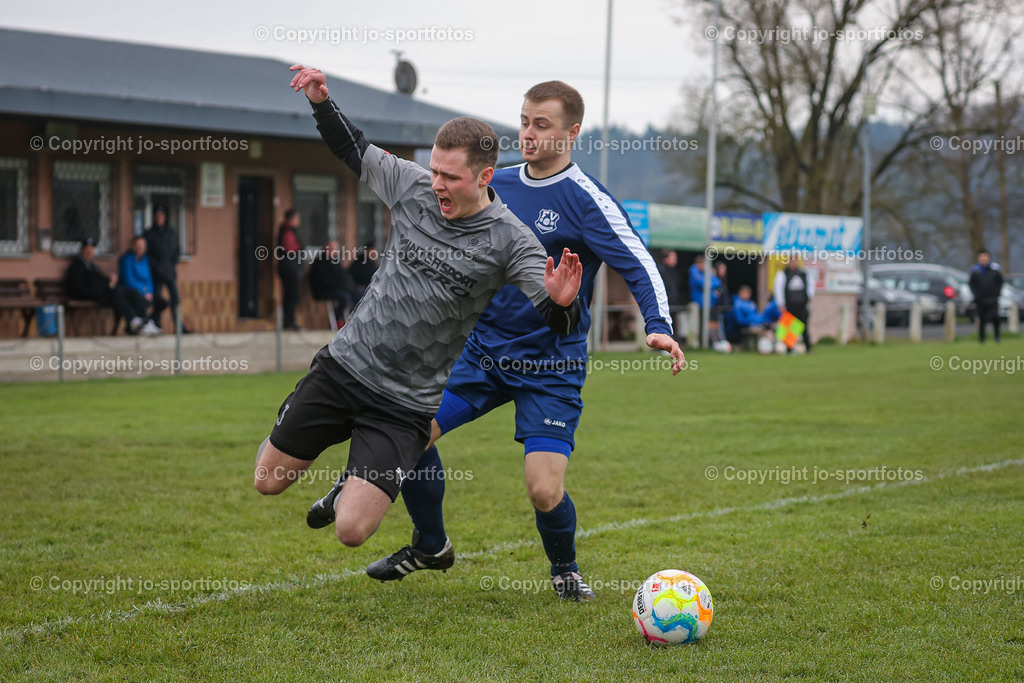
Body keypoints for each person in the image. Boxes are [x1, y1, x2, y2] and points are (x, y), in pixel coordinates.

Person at [311, 80, 685, 601]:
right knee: (410, 433)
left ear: (571, 133)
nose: (528, 134)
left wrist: (659, 326)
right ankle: (430, 544)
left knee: (543, 488)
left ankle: (565, 569)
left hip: (550, 368)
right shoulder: (494, 183)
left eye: (542, 125)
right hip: (479, 353)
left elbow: (639, 262)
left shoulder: (587, 200)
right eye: (525, 121)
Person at [253, 66, 584, 557]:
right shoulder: (412, 188)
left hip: (403, 404)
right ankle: (314, 430)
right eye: (434, 171)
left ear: (485, 176)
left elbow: (559, 322)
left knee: (351, 531)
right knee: (268, 481)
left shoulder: (512, 240)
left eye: (450, 177)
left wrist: (563, 304)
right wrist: (322, 102)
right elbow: (354, 149)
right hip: (345, 368)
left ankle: (414, 526)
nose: (438, 185)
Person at [64, 237, 156, 335]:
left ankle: (146, 321)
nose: (90, 253)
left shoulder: (93, 265)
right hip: (91, 295)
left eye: (91, 250)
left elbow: (100, 280)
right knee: (118, 292)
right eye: (87, 250)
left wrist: (109, 280)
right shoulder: (77, 266)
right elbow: (78, 287)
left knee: (131, 292)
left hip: (102, 292)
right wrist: (95, 291)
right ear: (82, 251)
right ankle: (133, 321)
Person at [142, 206, 187, 332]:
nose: (159, 218)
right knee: (158, 300)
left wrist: (171, 264)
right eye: (157, 216)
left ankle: (178, 325)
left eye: (161, 216)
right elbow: (146, 254)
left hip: (169, 272)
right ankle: (156, 324)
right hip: (156, 273)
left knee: (175, 300)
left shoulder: (171, 232)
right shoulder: (149, 234)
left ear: (165, 217)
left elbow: (176, 250)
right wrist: (156, 266)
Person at [117, 236, 166, 335]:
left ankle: (154, 322)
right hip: (132, 292)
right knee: (138, 298)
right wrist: (144, 292)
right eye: (138, 245)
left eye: (142, 246)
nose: (140, 248)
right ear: (133, 246)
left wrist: (149, 293)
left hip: (145, 292)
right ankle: (145, 323)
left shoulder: (145, 260)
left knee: (162, 302)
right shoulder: (126, 259)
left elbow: (148, 279)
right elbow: (128, 280)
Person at [773, 254, 814, 352]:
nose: (793, 263)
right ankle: (789, 349)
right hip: (789, 306)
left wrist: (808, 299)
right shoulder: (783, 274)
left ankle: (808, 347)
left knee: (804, 327)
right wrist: (781, 304)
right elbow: (778, 289)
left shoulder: (804, 274)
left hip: (802, 305)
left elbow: (811, 286)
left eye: (795, 261)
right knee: (789, 329)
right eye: (791, 261)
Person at [308, 240, 353, 327]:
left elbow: (343, 275)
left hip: (337, 288)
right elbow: (325, 281)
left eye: (334, 249)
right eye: (331, 249)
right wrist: (341, 286)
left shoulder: (335, 261)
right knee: (345, 298)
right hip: (324, 291)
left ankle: (351, 323)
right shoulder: (321, 262)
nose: (333, 251)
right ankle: (336, 321)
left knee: (357, 296)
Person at [277, 209, 304, 330]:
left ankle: (289, 321)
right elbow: (289, 248)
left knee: (291, 295)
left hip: (291, 267)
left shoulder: (288, 230)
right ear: (292, 219)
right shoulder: (287, 231)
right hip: (290, 268)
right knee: (292, 295)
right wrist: (299, 247)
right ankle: (289, 321)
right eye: (297, 218)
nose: (299, 221)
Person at [969, 249, 1003, 344]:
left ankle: (997, 337)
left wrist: (996, 293)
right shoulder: (975, 271)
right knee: (982, 320)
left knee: (995, 318)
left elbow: (1000, 282)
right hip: (980, 300)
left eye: (985, 257)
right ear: (978, 258)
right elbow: (972, 284)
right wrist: (977, 295)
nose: (983, 259)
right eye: (982, 257)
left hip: (993, 299)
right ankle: (982, 339)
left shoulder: (995, 270)